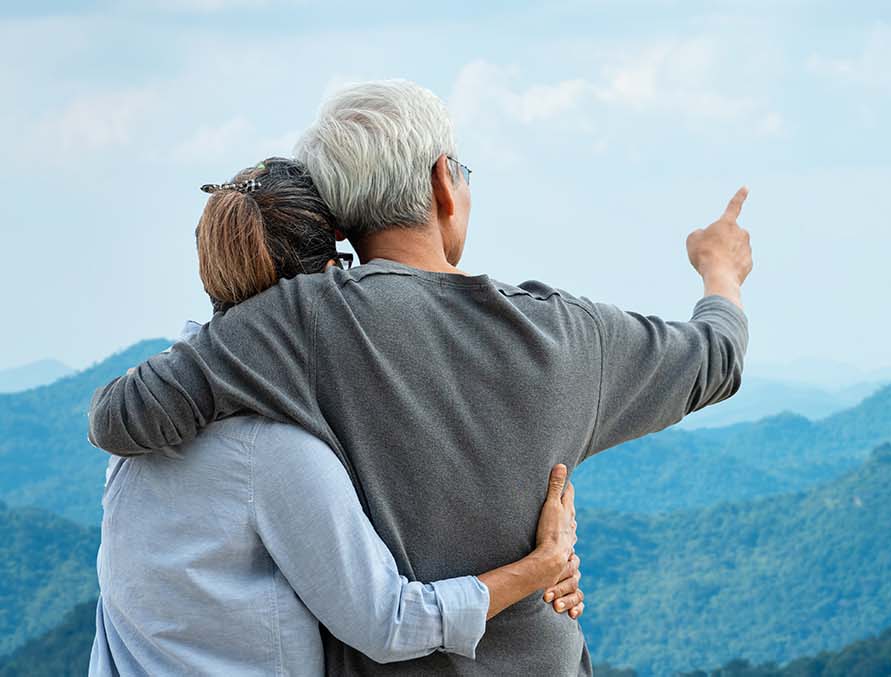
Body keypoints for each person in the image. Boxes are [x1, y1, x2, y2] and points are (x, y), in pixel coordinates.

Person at [88, 80, 752, 675]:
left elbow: (125, 416)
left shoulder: (292, 324)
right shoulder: (570, 334)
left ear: (343, 216)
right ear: (443, 182)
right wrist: (719, 269)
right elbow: (716, 360)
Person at [89, 158, 587, 676]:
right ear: (325, 281)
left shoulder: (151, 414)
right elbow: (391, 623)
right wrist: (539, 566)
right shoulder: (272, 449)